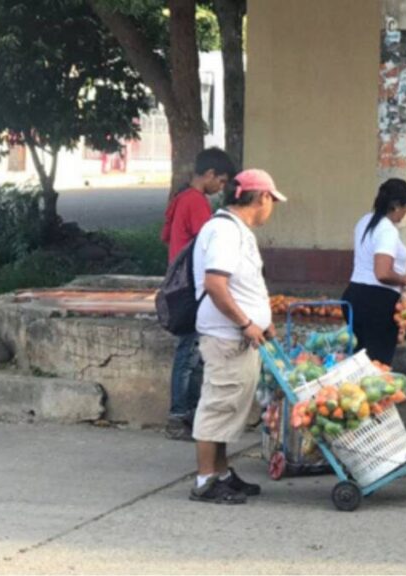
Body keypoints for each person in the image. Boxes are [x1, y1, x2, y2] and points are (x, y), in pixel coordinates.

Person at [189, 168, 287, 504]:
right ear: (262, 197)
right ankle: (205, 480)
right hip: (227, 336)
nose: (271, 208)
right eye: (272, 201)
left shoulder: (235, 230)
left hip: (239, 336)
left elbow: (242, 284)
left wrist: (263, 320)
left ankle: (221, 473)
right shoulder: (225, 232)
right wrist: (247, 322)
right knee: (218, 406)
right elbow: (215, 285)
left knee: (230, 407)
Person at [161, 148, 237, 441]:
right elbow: (210, 244)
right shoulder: (195, 202)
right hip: (191, 287)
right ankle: (180, 414)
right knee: (189, 353)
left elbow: (167, 236)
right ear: (209, 175)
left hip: (181, 285)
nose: (221, 188)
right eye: (220, 181)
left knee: (192, 351)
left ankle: (187, 412)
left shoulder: (181, 198)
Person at [342, 179, 406, 365]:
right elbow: (382, 273)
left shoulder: (365, 221)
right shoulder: (387, 230)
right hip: (377, 303)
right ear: (396, 205)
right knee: (378, 365)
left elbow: (373, 258)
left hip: (355, 296)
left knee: (358, 361)